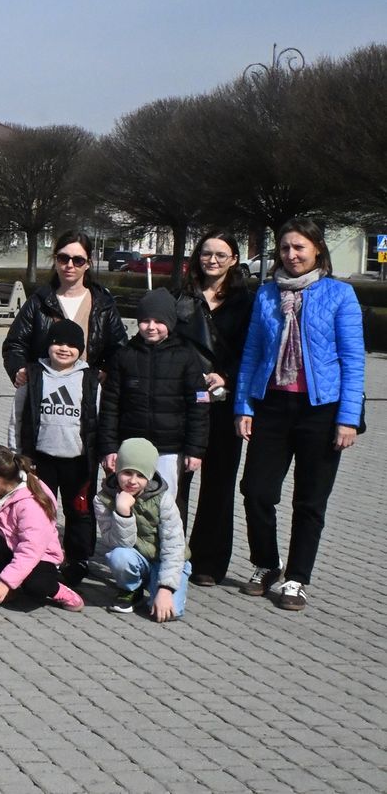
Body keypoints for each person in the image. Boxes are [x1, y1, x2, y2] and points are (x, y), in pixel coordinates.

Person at [235, 217, 365, 612]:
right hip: (272, 405)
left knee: (310, 500)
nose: (291, 255)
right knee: (256, 490)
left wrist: (348, 418)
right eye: (285, 248)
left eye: (299, 247)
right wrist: (243, 405)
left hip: (321, 410)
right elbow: (252, 352)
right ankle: (267, 563)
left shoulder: (340, 294)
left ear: (317, 249)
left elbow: (353, 360)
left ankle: (297, 577)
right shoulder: (267, 294)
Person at [174, 231, 254, 586]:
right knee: (176, 479)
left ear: (234, 259)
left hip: (224, 400)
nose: (212, 260)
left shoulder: (245, 302)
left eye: (221, 255)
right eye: (206, 253)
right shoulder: (181, 295)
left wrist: (227, 376)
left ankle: (208, 560)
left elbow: (252, 350)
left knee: (219, 482)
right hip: (183, 399)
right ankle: (171, 553)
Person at [98, 290, 208, 517]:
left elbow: (198, 407)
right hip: (131, 446)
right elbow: (110, 405)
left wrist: (195, 449)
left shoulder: (186, 357)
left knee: (165, 506)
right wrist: (109, 447)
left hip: (169, 448)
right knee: (128, 502)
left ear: (171, 322)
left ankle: (168, 541)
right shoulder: (124, 356)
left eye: (159, 321)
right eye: (145, 321)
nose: (151, 327)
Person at [7, 319, 98, 585]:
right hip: (40, 458)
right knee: (40, 510)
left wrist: (101, 455)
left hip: (77, 460)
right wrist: (16, 454)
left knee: (79, 511)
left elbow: (98, 419)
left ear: (80, 349)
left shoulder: (90, 379)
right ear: (48, 345)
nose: (64, 349)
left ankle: (78, 558)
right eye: (58, 343)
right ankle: (43, 554)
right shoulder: (33, 375)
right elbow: (17, 417)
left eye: (71, 345)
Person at [2, 230, 128, 385]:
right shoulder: (38, 301)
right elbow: (14, 344)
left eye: (78, 260)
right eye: (63, 258)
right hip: (45, 389)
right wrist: (19, 369)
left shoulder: (103, 304)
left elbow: (120, 348)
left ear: (88, 263)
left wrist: (107, 370)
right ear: (55, 260)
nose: (69, 265)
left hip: (87, 390)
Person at [0, 444, 83, 612]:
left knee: (36, 586)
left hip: (40, 557)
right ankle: (10, 591)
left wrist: (5, 582)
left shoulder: (31, 505)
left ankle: (59, 590)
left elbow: (30, 549)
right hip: (14, 549)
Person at [94, 438, 190, 621]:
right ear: (117, 470)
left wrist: (165, 588)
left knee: (172, 613)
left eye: (140, 475)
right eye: (127, 472)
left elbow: (174, 545)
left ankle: (158, 584)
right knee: (118, 556)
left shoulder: (163, 499)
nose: (132, 481)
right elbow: (117, 543)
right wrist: (123, 512)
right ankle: (132, 588)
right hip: (135, 557)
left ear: (150, 476)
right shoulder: (103, 500)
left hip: (165, 560)